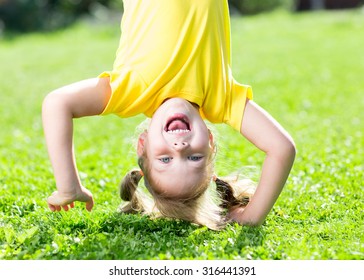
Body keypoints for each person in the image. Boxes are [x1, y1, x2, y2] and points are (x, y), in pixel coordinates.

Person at [42, 0, 296, 230]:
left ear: (144, 144)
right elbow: (282, 148)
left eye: (165, 159)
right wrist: (252, 216)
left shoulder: (131, 91)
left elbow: (57, 103)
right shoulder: (221, 98)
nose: (179, 146)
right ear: (210, 142)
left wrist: (69, 186)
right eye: (194, 157)